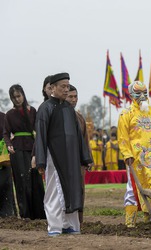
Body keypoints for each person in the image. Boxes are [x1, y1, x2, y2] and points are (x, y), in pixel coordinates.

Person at [34, 72, 92, 236]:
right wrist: (40, 161)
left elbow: (79, 137)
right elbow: (41, 136)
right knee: (55, 190)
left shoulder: (69, 109)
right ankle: (54, 227)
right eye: (63, 87)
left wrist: (85, 157)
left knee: (72, 190)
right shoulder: (45, 108)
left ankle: (71, 225)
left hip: (72, 158)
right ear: (52, 88)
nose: (66, 90)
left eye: (68, 86)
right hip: (54, 157)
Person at [118, 81, 151, 228]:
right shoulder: (126, 114)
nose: (142, 96)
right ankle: (130, 222)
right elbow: (123, 137)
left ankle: (150, 219)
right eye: (138, 93)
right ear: (131, 95)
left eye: (144, 93)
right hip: (135, 158)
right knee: (133, 188)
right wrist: (127, 154)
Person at [3, 84, 46, 220]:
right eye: (14, 97)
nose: (17, 99)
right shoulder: (9, 114)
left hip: (32, 148)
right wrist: (9, 144)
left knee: (36, 179)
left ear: (23, 94)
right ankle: (25, 214)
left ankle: (39, 214)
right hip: (17, 150)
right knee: (21, 181)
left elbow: (38, 129)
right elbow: (6, 133)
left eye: (18, 96)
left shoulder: (32, 110)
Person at [66, 84, 92, 223]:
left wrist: (88, 159)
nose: (74, 99)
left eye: (75, 96)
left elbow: (85, 140)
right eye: (70, 96)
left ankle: (78, 222)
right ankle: (65, 222)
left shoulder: (80, 117)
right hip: (64, 161)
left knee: (80, 191)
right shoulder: (59, 116)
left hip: (79, 162)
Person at [0, 111, 16, 217]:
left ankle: (7, 214)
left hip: (3, 159)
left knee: (5, 185)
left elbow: (11, 135)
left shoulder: (3, 117)